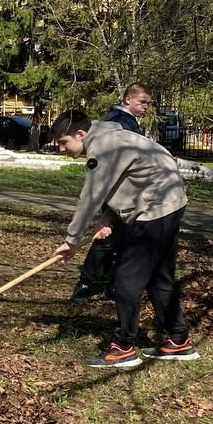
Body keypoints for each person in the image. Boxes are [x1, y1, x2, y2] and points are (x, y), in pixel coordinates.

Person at [52, 108, 198, 368]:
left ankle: (124, 347)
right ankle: (179, 340)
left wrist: (71, 240)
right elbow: (128, 177)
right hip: (170, 204)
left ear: (81, 134)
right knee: (158, 277)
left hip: (154, 209)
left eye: (64, 142)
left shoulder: (104, 147)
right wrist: (108, 216)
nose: (62, 149)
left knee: (126, 278)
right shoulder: (117, 137)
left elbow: (91, 196)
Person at [71, 82, 152, 305]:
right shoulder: (118, 122)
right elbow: (112, 163)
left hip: (123, 192)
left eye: (148, 103)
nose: (146, 106)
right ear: (128, 100)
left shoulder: (126, 121)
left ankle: (110, 284)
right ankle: (85, 286)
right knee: (105, 239)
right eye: (142, 102)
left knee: (118, 240)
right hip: (115, 192)